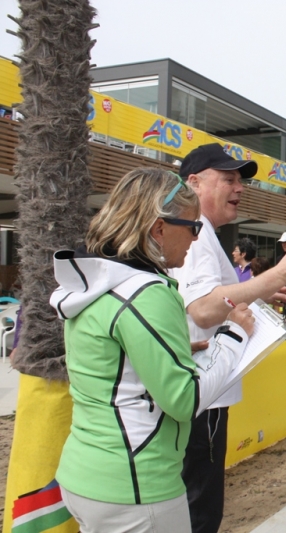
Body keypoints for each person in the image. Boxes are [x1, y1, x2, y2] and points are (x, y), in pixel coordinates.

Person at [49, 168, 255, 532]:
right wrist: (234, 337)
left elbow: (109, 361)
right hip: (136, 485)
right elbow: (185, 400)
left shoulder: (95, 280)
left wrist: (170, 352)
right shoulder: (147, 292)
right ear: (159, 229)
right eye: (193, 226)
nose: (196, 238)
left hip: (84, 474)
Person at [169, 143, 286, 533]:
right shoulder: (197, 235)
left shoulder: (202, 235)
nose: (239, 188)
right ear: (194, 182)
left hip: (201, 390)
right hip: (202, 394)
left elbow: (207, 302)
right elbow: (202, 308)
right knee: (200, 509)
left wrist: (258, 292)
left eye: (241, 180)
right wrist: (276, 277)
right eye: (229, 178)